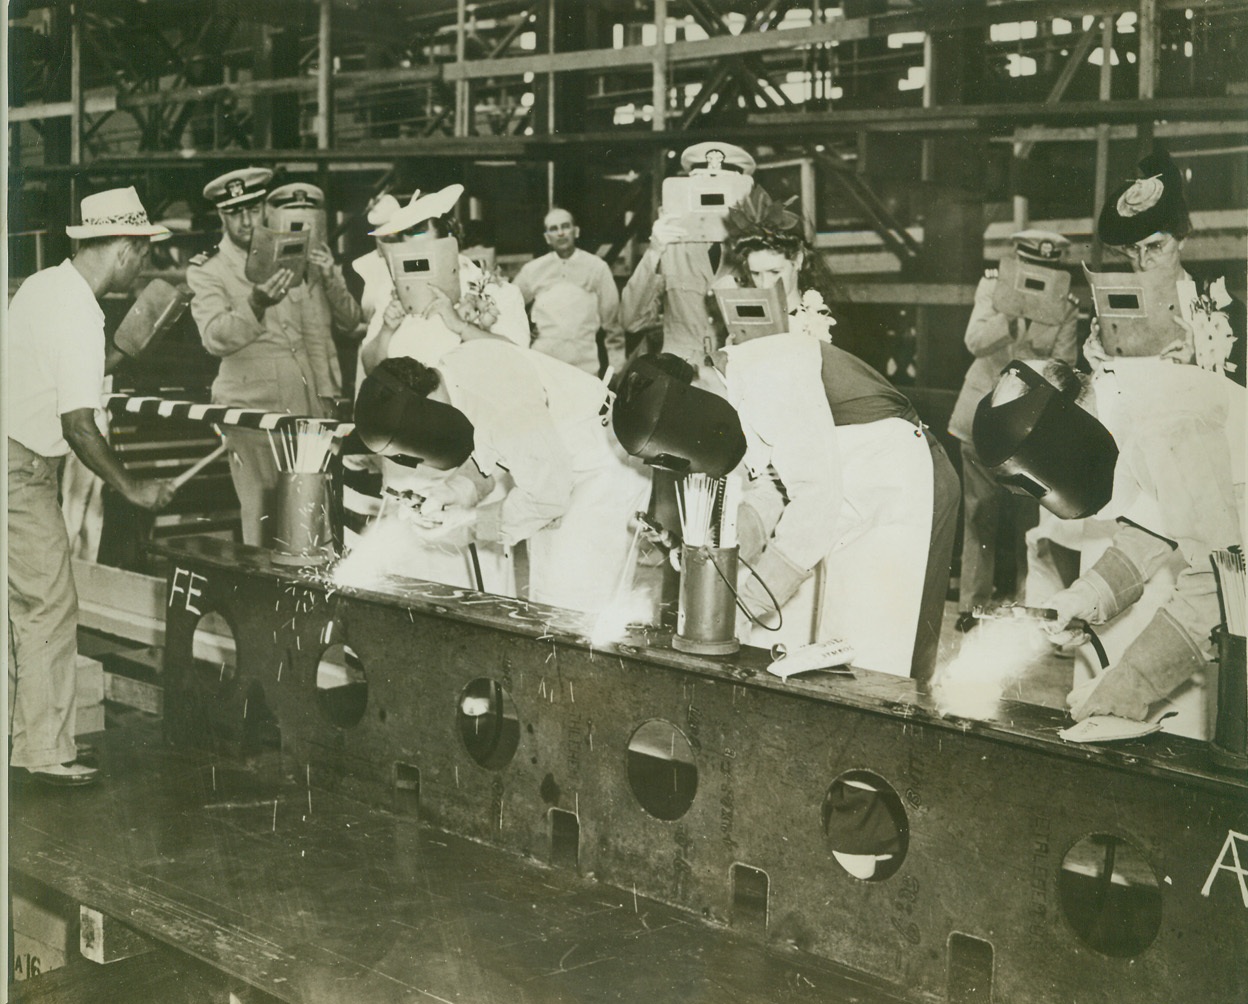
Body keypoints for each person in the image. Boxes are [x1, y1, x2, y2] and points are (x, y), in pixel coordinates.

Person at [675, 191, 956, 678]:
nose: (765, 285)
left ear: (800, 261)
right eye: (754, 276)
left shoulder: (790, 346)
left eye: (775, 273)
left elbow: (815, 495)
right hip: (844, 480)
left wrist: (755, 593)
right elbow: (772, 478)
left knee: (874, 643)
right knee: (822, 636)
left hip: (896, 484)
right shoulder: (752, 347)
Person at [7, 187, 178, 786]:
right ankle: (46, 754)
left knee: (19, 611)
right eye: (144, 254)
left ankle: (23, 743)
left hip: (11, 457)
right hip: (20, 470)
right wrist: (134, 488)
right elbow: (79, 427)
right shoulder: (80, 313)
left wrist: (124, 354)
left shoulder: (43, 285)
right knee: (49, 607)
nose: (143, 268)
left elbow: (60, 376)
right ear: (127, 249)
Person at [974, 359, 1243, 735]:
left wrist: (1132, 683)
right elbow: (1156, 525)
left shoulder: (1169, 424)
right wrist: (1086, 596)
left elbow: (1221, 578)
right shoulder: (1120, 406)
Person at [362, 344, 645, 613]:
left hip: (600, 469)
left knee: (572, 608)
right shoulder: (454, 373)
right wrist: (451, 493)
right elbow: (491, 456)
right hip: (559, 467)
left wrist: (468, 522)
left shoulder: (502, 407)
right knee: (548, 601)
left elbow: (547, 499)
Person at [186, 167, 333, 547]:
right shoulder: (209, 270)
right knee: (264, 513)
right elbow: (214, 337)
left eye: (253, 208)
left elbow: (310, 331)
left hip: (304, 403)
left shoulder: (288, 252)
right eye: (236, 212)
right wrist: (255, 304)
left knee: (311, 512)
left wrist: (326, 394)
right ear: (221, 216)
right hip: (250, 407)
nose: (247, 220)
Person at [947, 230, 1080, 632]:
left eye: (1046, 271)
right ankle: (972, 608)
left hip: (1027, 432)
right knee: (978, 516)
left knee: (1029, 525)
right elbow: (974, 341)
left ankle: (1030, 610)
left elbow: (1065, 369)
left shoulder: (1066, 308)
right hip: (976, 420)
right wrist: (1010, 310)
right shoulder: (991, 289)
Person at [1091, 150, 1244, 384]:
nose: (1143, 261)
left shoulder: (1228, 310)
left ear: (1182, 238)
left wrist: (1197, 370)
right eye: (1133, 249)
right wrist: (1094, 371)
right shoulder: (1112, 307)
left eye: (1155, 246)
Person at [619, 141, 756, 365]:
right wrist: (655, 252)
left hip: (741, 371)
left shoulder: (757, 252)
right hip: (684, 379)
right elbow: (632, 321)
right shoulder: (670, 248)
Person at [264, 182, 363, 401]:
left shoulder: (326, 269)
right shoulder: (262, 273)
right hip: (284, 388)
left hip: (326, 387)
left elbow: (350, 321)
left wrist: (330, 279)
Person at [513, 207, 625, 377]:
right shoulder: (533, 270)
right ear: (547, 238)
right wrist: (527, 328)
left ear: (576, 231)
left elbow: (612, 322)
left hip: (584, 364)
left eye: (565, 226)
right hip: (543, 361)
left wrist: (616, 367)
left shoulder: (597, 268)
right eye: (553, 229)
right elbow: (509, 304)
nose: (560, 233)